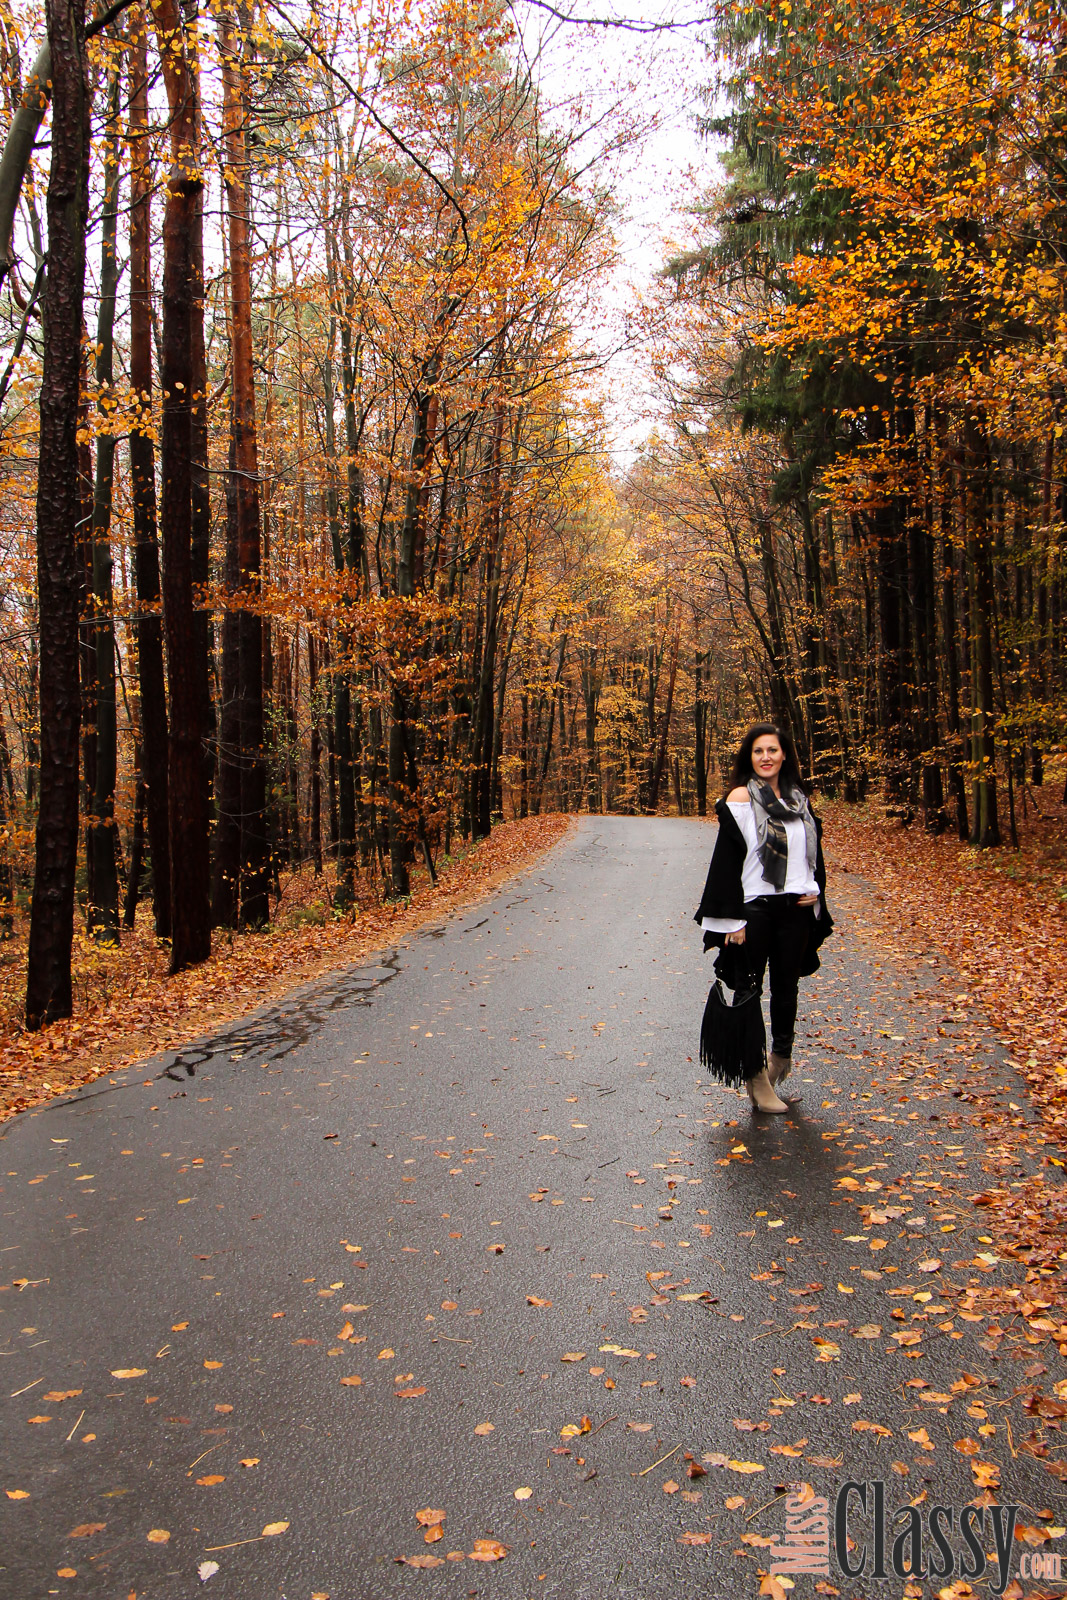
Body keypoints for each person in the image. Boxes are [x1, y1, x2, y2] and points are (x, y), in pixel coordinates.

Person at [694, 722, 833, 1112]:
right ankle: (755, 1077)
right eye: (758, 751)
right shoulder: (741, 798)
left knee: (787, 988)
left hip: (795, 911)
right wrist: (731, 921)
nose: (766, 757)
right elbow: (726, 862)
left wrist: (814, 888)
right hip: (753, 910)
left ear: (784, 754)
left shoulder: (797, 798)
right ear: (749, 757)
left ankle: (780, 1060)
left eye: (772, 750)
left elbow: (811, 852)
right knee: (748, 990)